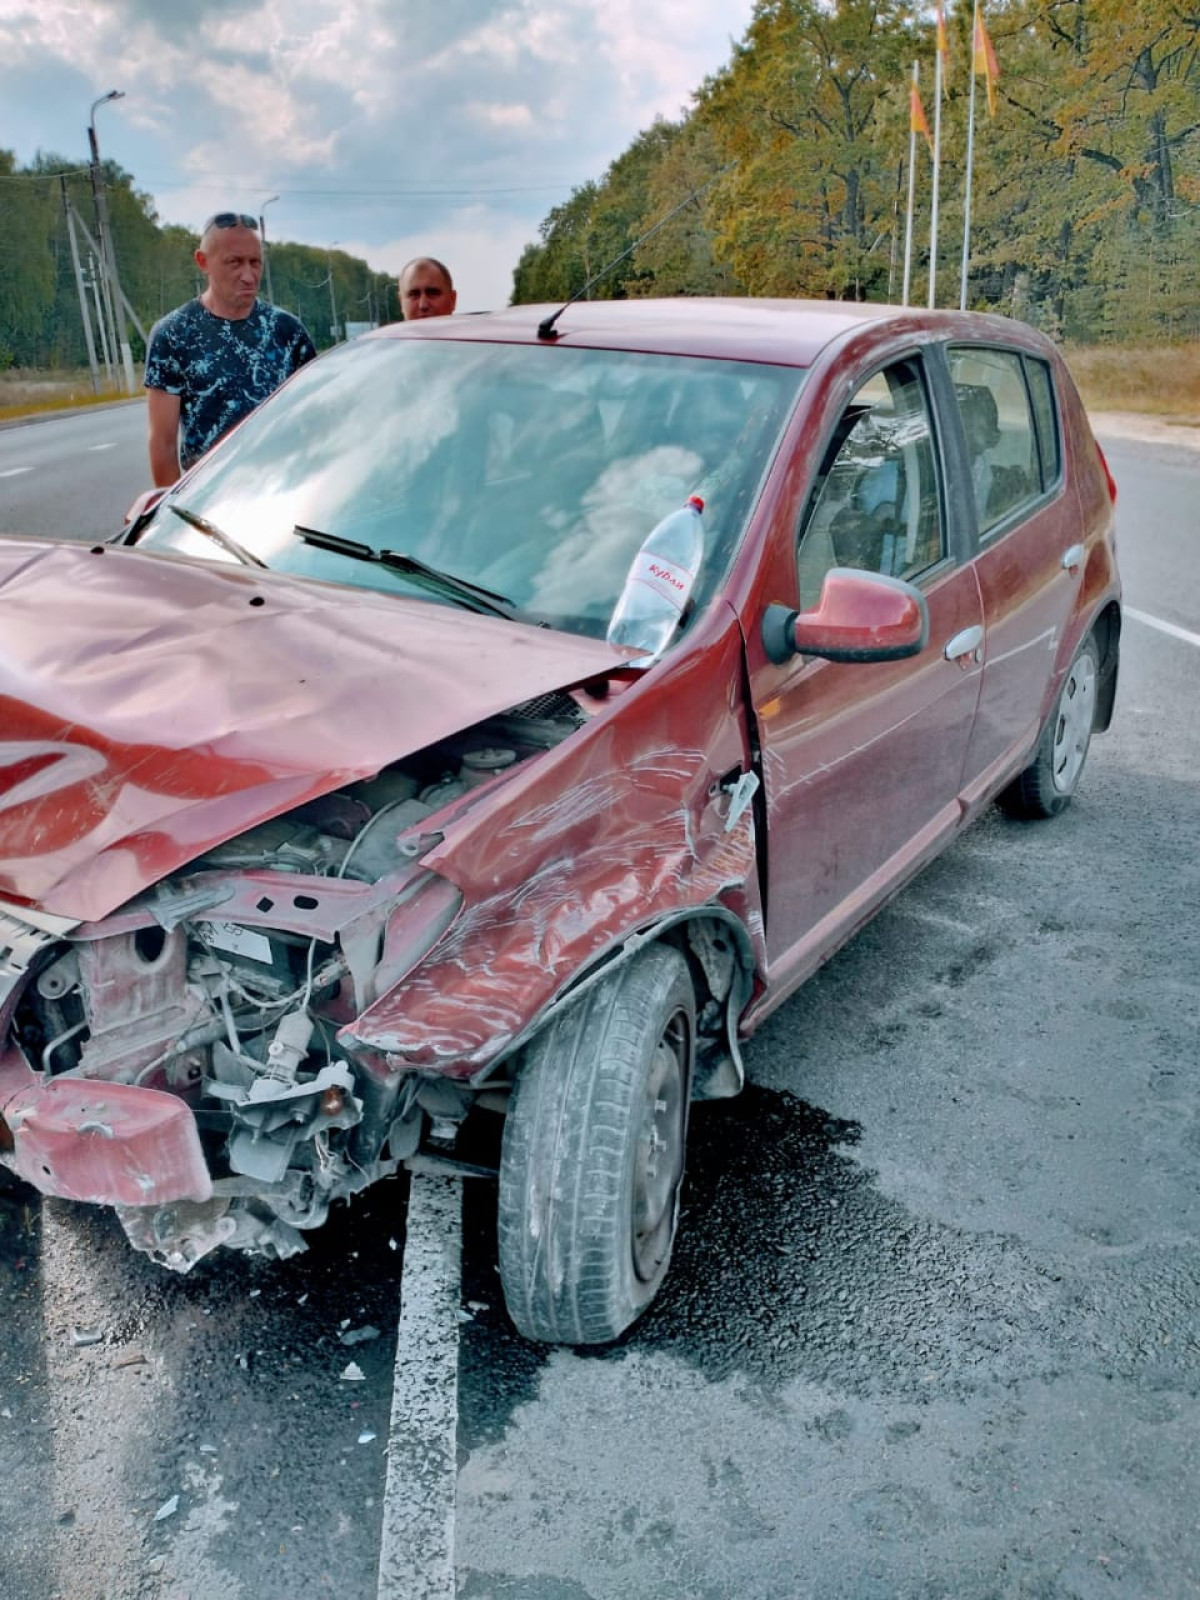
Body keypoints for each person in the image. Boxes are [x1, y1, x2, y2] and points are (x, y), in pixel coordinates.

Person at [144, 212, 317, 486]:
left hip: (282, 492)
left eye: (255, 262)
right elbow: (163, 444)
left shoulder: (288, 331)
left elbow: (313, 423)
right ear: (203, 261)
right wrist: (172, 510)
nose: (248, 276)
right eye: (234, 262)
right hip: (210, 498)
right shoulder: (173, 334)